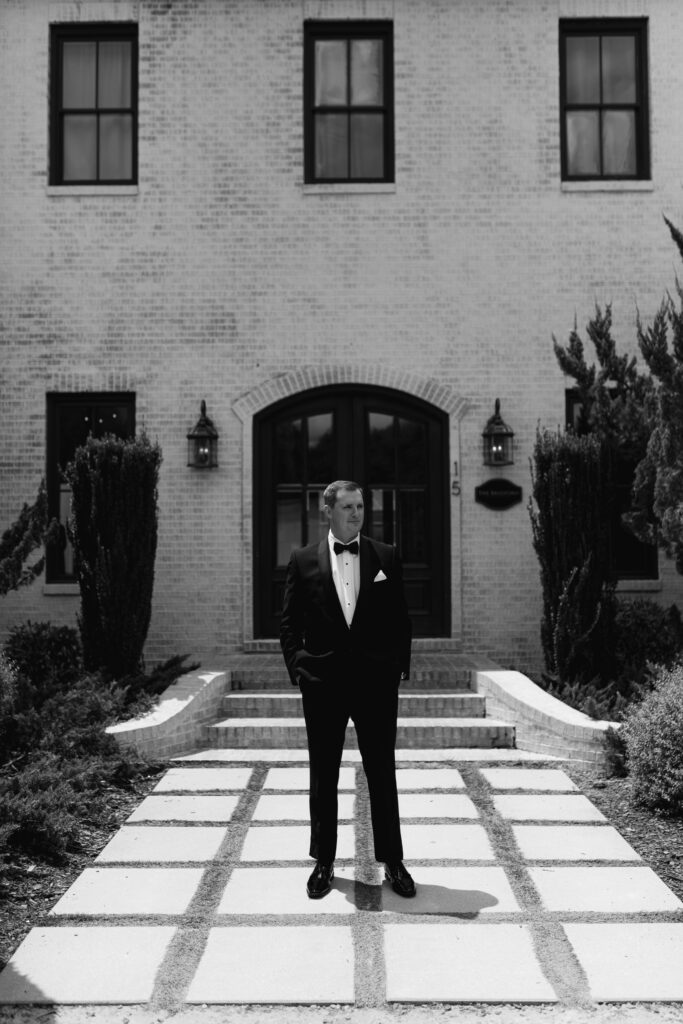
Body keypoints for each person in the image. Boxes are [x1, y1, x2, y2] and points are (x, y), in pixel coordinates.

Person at [280, 479, 416, 900]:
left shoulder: (385, 556)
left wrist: (396, 669)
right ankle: (324, 861)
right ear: (328, 511)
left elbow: (400, 619)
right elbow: (289, 625)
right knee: (324, 774)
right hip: (323, 685)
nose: (357, 513)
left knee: (382, 772)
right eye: (348, 507)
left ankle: (393, 861)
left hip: (375, 685)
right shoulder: (302, 561)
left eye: (360, 506)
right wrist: (300, 669)